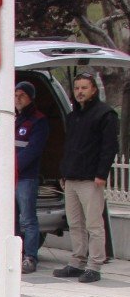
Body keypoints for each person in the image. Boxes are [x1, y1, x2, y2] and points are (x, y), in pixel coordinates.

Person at [52, 71, 119, 284]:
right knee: (75, 223)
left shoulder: (105, 114)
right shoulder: (73, 116)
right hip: (71, 177)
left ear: (94, 90)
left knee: (93, 224)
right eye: (77, 88)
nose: (80, 92)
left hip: (91, 179)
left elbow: (109, 147)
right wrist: (63, 172)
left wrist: (101, 173)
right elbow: (69, 147)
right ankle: (77, 261)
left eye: (84, 88)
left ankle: (94, 265)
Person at [14, 81, 48, 274]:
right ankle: (14, 255)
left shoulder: (38, 120)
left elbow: (33, 150)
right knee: (12, 219)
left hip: (26, 177)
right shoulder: (13, 119)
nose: (17, 99)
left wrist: (14, 167)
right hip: (10, 177)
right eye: (15, 95)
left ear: (30, 97)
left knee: (28, 219)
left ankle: (30, 257)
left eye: (22, 95)